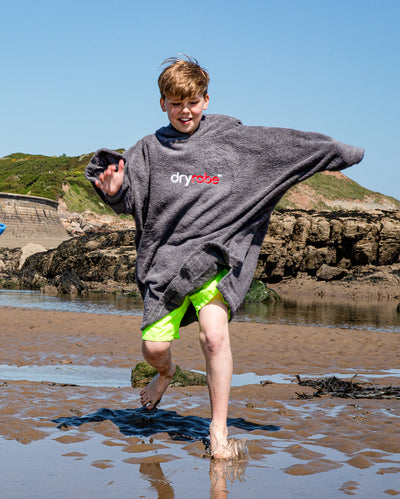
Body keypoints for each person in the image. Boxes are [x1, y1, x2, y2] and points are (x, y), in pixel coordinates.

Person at [85, 55, 364, 459]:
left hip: (216, 259)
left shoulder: (233, 141)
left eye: (193, 101)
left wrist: (339, 152)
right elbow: (130, 199)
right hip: (164, 265)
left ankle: (218, 429)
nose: (186, 110)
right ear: (162, 103)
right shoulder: (148, 150)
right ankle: (166, 375)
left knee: (214, 337)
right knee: (154, 350)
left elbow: (286, 147)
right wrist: (113, 192)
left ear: (206, 100)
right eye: (176, 102)